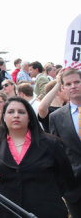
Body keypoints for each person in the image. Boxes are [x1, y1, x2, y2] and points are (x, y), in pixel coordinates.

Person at [0, 97, 75, 218]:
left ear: (29, 117)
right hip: (5, 213)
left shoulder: (51, 144)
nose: (16, 115)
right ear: (3, 117)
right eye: (11, 112)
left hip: (46, 211)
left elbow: (67, 179)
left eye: (21, 112)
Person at [49, 68, 81, 217]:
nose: (73, 86)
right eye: (68, 84)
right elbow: (57, 153)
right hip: (74, 189)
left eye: (77, 82)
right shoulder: (56, 117)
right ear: (63, 88)